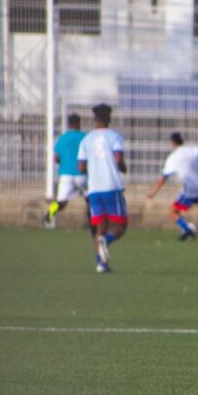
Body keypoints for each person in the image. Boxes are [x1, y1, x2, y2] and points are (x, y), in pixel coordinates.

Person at [77, 103, 127, 273]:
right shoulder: (115, 137)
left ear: (94, 119)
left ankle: (101, 264)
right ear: (109, 118)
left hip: (94, 189)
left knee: (100, 227)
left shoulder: (86, 139)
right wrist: (122, 167)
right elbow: (119, 159)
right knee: (121, 226)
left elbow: (81, 167)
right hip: (111, 186)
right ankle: (106, 241)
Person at [42, 113, 89, 229]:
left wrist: (65, 163)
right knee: (91, 200)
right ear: (79, 123)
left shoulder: (62, 138)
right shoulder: (85, 137)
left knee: (61, 202)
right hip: (82, 174)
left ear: (68, 124)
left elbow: (56, 158)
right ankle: (92, 223)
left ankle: (49, 213)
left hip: (65, 174)